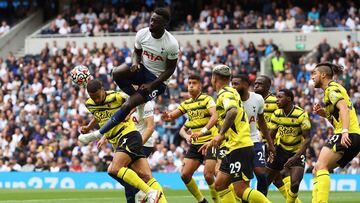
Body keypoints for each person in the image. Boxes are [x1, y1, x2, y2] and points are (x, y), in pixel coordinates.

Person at [80, 7, 179, 142]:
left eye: (156, 22)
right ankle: (138, 101)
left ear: (164, 24)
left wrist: (151, 85)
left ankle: (97, 134)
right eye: (151, 20)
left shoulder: (171, 44)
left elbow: (170, 70)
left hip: (158, 80)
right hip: (143, 69)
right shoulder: (142, 34)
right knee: (116, 72)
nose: (151, 23)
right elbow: (136, 52)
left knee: (127, 105)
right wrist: (135, 63)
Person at [79, 79, 166, 203]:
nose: (97, 100)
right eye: (93, 98)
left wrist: (129, 111)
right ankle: (155, 196)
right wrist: (88, 127)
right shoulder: (89, 104)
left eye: (98, 96)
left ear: (102, 90)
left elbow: (136, 101)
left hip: (129, 135)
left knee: (115, 169)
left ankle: (147, 192)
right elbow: (99, 116)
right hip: (117, 141)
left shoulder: (117, 96)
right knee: (146, 176)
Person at [200, 64, 271, 203]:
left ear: (214, 78)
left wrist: (220, 134)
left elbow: (232, 111)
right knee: (220, 185)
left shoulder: (225, 93)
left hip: (239, 147)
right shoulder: (232, 92)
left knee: (241, 190)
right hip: (232, 146)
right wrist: (215, 139)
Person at [161, 74, 219, 203]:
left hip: (210, 142)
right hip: (196, 144)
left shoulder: (207, 99)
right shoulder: (186, 103)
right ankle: (201, 200)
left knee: (208, 175)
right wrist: (166, 117)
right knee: (185, 174)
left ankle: (217, 201)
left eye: (194, 83)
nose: (191, 85)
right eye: (189, 83)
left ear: (200, 85)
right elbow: (171, 116)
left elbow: (215, 116)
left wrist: (203, 131)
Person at [311, 62, 360, 203]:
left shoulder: (330, 90)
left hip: (347, 134)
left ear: (323, 75)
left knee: (321, 166)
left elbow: (344, 108)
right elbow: (339, 117)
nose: (312, 77)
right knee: (316, 171)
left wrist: (345, 132)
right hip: (353, 135)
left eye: (314, 73)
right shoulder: (336, 89)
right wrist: (325, 114)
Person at [231, 74, 275, 196]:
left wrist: (270, 144)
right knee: (244, 180)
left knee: (261, 174)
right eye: (232, 84)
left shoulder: (258, 99)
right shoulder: (231, 101)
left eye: (236, 84)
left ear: (246, 85)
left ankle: (262, 199)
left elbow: (261, 122)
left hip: (255, 140)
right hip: (238, 143)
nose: (233, 87)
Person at [267, 89, 311, 203]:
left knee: (295, 184)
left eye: (280, 97)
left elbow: (308, 138)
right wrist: (271, 151)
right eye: (277, 97)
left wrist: (296, 156)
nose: (277, 100)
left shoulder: (301, 114)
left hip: (296, 151)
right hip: (280, 150)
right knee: (265, 181)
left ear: (289, 99)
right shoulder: (277, 113)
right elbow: (271, 135)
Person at [254, 75, 294, 200]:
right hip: (258, 143)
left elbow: (284, 121)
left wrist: (274, 145)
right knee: (277, 179)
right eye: (255, 83)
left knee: (265, 178)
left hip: (272, 146)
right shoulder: (252, 100)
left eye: (259, 84)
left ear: (268, 86)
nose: (256, 86)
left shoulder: (275, 101)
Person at [121, 100, 157, 203]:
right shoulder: (128, 101)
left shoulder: (146, 103)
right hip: (131, 143)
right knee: (128, 174)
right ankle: (145, 191)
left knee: (123, 171)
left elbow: (150, 127)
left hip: (144, 143)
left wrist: (137, 145)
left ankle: (145, 191)